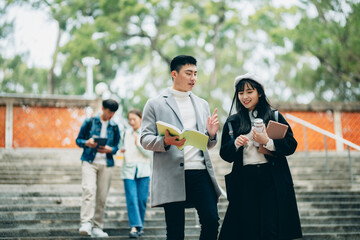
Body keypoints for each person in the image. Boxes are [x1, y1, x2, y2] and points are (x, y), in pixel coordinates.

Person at [140, 55, 222, 240]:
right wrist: (166, 142)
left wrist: (211, 134)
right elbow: (144, 139)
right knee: (175, 231)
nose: (194, 78)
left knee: (211, 221)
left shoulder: (202, 104)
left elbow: (208, 144)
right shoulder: (155, 103)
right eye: (188, 73)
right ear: (174, 74)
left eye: (195, 73)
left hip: (201, 172)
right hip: (172, 174)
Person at [218, 73, 302, 240]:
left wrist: (268, 142)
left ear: (260, 93)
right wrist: (235, 144)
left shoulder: (274, 116)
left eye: (249, 92)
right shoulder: (232, 121)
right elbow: (225, 154)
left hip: (271, 178)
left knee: (270, 228)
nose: (245, 97)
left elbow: (291, 145)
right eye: (241, 93)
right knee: (247, 229)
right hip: (245, 179)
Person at [75, 99, 120, 237]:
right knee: (89, 190)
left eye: (113, 112)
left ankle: (97, 226)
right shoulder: (89, 122)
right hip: (89, 161)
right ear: (103, 108)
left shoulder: (114, 127)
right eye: (109, 111)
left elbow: (116, 146)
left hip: (105, 163)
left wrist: (109, 149)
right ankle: (86, 223)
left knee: (102, 196)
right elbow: (78, 140)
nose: (111, 115)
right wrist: (87, 142)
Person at [120, 109, 151, 238]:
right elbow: (121, 149)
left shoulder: (147, 134)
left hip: (144, 171)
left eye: (134, 119)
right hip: (128, 170)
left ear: (141, 118)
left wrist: (138, 144)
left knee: (142, 200)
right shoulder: (125, 133)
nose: (132, 122)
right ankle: (135, 227)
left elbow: (149, 154)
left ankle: (140, 226)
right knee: (132, 199)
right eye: (130, 119)